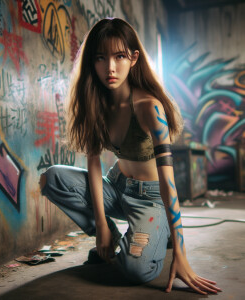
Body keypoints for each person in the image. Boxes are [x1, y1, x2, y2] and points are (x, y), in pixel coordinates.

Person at [39, 18, 221, 295]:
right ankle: (112, 237)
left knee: (134, 270)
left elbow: (168, 185)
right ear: (92, 61)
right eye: (101, 58)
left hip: (150, 199)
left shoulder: (149, 108)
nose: (109, 68)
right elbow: (94, 164)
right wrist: (101, 224)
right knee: (52, 178)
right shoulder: (95, 103)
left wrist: (182, 255)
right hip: (117, 186)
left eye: (119, 56)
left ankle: (158, 237)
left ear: (133, 58)